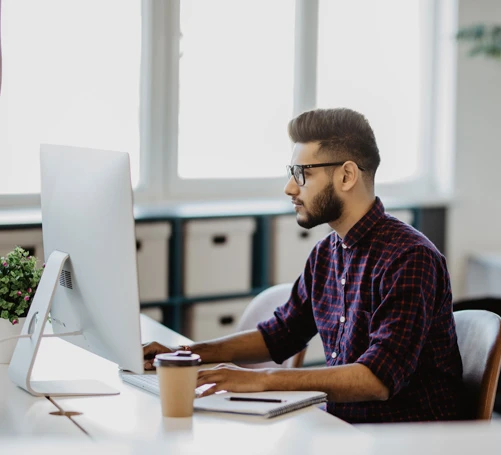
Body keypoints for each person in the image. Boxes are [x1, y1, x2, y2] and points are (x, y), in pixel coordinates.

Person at [143, 108, 466, 423]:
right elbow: (280, 335)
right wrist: (185, 354)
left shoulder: (409, 258)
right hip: (343, 431)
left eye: (303, 174)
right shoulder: (326, 252)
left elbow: (377, 380)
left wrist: (261, 380)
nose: (290, 188)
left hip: (408, 448)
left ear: (346, 175)